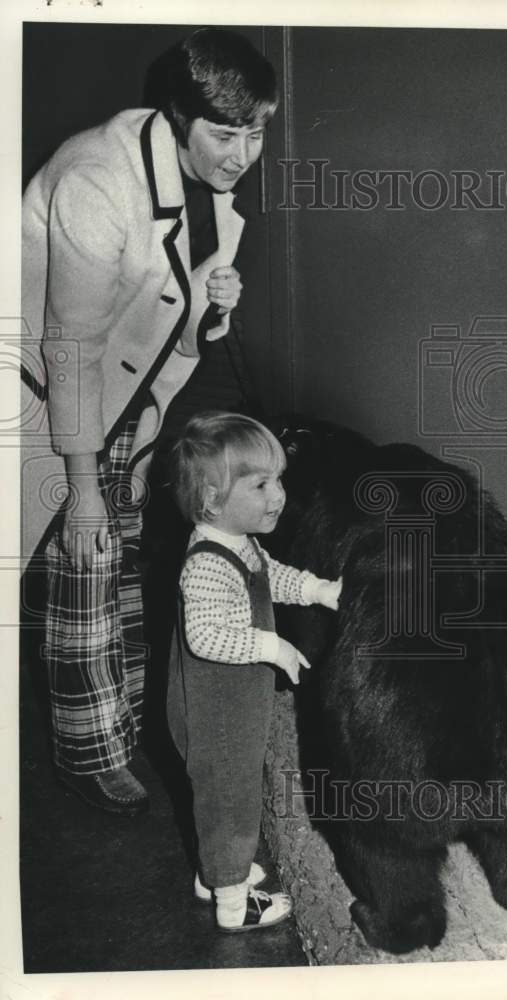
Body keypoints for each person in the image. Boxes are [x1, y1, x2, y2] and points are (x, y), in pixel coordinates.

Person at [20, 28, 278, 814]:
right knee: (84, 559)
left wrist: (213, 303)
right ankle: (89, 751)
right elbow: (70, 347)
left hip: (123, 388)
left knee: (118, 555)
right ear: (177, 116)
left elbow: (166, 319)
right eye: (225, 134)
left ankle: (124, 713)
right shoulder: (99, 180)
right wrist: (81, 483)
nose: (242, 154)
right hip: (42, 388)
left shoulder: (209, 185)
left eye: (257, 130)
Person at [166, 412, 342, 931]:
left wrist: (316, 590)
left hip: (235, 703)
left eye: (278, 479)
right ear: (211, 500)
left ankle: (215, 873)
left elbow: (272, 578)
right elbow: (205, 635)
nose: (278, 494)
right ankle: (232, 901)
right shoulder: (208, 563)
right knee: (232, 803)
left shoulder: (237, 542)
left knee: (222, 799)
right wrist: (273, 646)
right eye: (261, 483)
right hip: (217, 711)